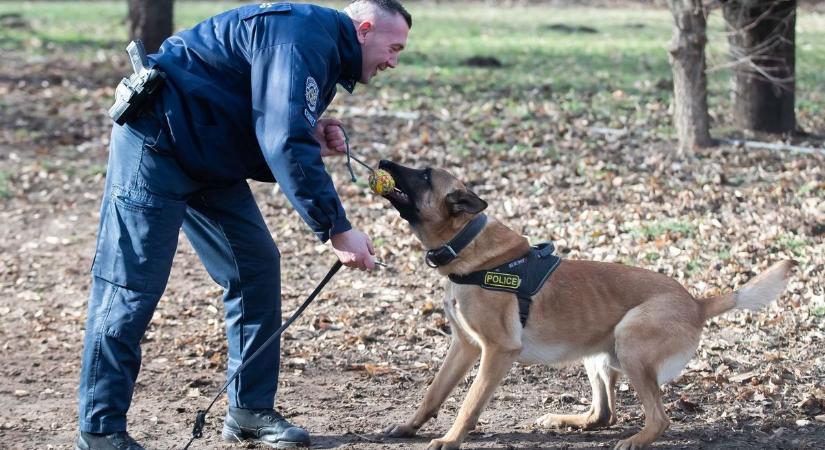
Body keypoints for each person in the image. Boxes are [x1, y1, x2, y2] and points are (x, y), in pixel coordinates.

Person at [75, 1, 411, 449]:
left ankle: (248, 411)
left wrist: (308, 130)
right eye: (394, 48)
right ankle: (100, 431)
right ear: (364, 30)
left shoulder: (323, 47)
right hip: (156, 144)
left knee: (254, 266)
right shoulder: (304, 38)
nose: (394, 61)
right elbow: (281, 137)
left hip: (207, 153)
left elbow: (272, 119)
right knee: (129, 288)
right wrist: (336, 228)